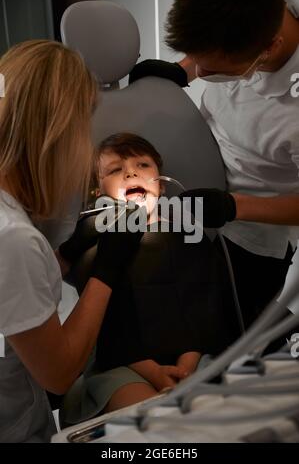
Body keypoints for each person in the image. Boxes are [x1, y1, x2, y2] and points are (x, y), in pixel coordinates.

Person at [0, 40, 142, 443]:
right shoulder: (12, 237)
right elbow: (59, 374)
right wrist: (107, 270)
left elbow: (13, 298)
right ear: (60, 130)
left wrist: (63, 254)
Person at [129, 0, 299, 328]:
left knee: (237, 328)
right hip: (206, 204)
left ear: (268, 48)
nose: (200, 72)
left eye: (214, 69)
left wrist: (234, 207)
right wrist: (181, 71)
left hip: (258, 237)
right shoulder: (251, 13)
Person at [60, 133, 238, 427]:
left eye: (142, 165)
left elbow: (204, 309)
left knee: (214, 415)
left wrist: (186, 367)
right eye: (116, 169)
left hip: (194, 358)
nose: (130, 172)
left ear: (162, 183)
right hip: (121, 364)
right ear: (97, 192)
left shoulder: (190, 237)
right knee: (156, 422)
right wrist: (155, 374)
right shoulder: (97, 247)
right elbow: (109, 328)